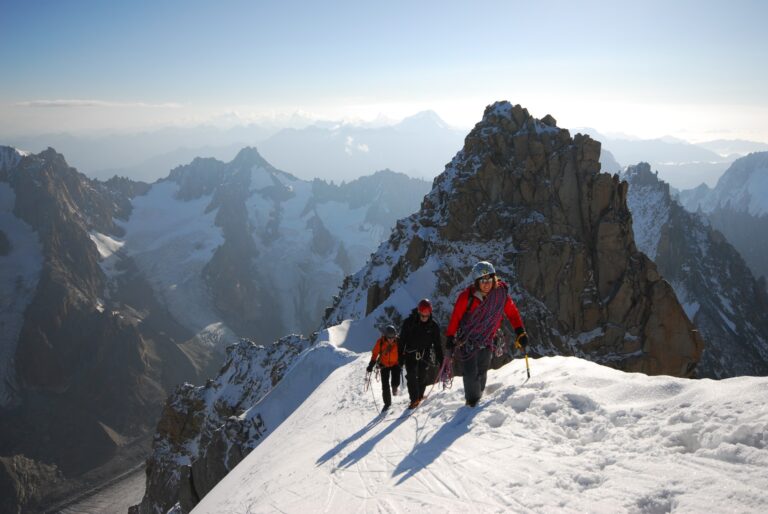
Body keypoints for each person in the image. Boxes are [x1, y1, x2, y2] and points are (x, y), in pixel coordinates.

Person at [445, 261, 529, 407]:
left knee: (482, 371)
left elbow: (512, 313)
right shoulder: (466, 297)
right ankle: (471, 403)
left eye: (489, 280)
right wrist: (450, 338)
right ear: (477, 282)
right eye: (483, 280)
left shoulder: (500, 295)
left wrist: (520, 331)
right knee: (471, 374)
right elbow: (456, 317)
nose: (486, 284)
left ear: (494, 280)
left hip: (488, 339)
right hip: (468, 340)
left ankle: (477, 397)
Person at [399, 298, 444, 409]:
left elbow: (437, 345)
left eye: (426, 315)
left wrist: (441, 360)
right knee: (411, 376)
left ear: (430, 313)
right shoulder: (409, 323)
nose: (424, 318)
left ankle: (419, 396)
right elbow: (402, 341)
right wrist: (400, 356)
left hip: (424, 353)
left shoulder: (433, 326)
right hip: (410, 353)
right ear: (418, 312)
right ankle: (414, 400)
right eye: (422, 315)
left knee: (423, 375)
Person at [366, 325, 401, 412]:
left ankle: (395, 387)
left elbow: (403, 352)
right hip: (384, 365)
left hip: (395, 364)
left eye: (393, 337)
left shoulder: (398, 342)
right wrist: (371, 365)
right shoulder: (380, 342)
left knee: (396, 380)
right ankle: (387, 403)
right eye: (389, 337)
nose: (391, 339)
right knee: (385, 385)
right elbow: (375, 354)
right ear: (385, 336)